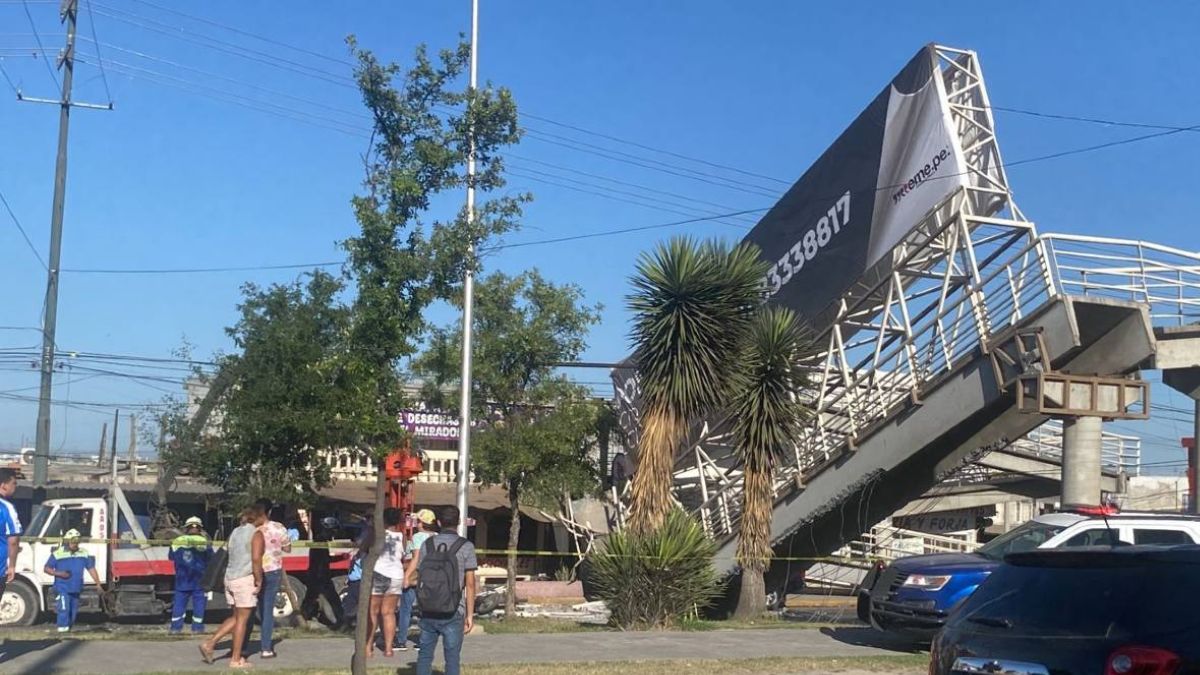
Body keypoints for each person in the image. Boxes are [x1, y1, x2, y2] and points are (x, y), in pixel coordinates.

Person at [413, 507, 476, 675]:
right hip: (454, 609)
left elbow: (420, 575)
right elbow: (470, 584)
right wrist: (470, 615)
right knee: (452, 658)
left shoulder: (427, 544)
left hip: (428, 608)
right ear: (460, 522)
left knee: (425, 655)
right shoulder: (466, 547)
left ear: (439, 522)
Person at [200, 505, 265, 669]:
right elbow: (256, 559)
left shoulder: (235, 532)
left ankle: (211, 643)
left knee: (236, 617)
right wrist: (259, 579)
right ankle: (235, 658)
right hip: (244, 578)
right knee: (243, 620)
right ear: (257, 518)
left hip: (230, 577)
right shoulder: (256, 534)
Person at [250, 498, 291, 659]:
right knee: (268, 610)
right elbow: (287, 548)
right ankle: (266, 647)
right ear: (270, 511)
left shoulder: (251, 529)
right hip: (272, 570)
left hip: (254, 571)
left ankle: (243, 645)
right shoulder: (278, 527)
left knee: (251, 608)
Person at [43, 529, 102, 633]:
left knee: (73, 611)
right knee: (64, 608)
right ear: (67, 541)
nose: (74, 544)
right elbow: (47, 568)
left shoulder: (84, 553)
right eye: (72, 541)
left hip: (76, 587)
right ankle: (62, 630)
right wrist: (60, 574)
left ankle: (68, 629)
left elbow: (91, 568)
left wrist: (98, 583)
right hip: (62, 587)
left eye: (76, 541)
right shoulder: (58, 553)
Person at [396, 508, 437, 651]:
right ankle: (424, 640)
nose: (416, 523)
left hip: (416, 575)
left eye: (418, 521)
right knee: (425, 610)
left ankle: (401, 640)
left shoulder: (419, 537)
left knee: (405, 608)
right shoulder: (437, 537)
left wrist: (407, 576)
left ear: (423, 523)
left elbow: (416, 558)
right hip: (431, 577)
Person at [367, 507, 405, 658]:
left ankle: (368, 647)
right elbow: (403, 553)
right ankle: (388, 649)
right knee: (389, 613)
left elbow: (365, 547)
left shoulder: (377, 534)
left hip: (378, 571)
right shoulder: (401, 536)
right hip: (396, 574)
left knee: (373, 612)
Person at [169, 516, 213, 634]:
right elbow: (210, 559)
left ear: (186, 528)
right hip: (199, 579)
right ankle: (197, 628)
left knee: (179, 604)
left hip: (182, 579)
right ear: (200, 529)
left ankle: (175, 628)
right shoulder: (205, 542)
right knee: (199, 604)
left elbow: (171, 557)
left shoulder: (177, 541)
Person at [300, 515, 344, 628]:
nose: (333, 535)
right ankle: (341, 621)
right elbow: (323, 560)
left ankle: (302, 619)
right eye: (333, 532)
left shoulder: (319, 541)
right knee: (333, 600)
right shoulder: (321, 542)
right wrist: (340, 558)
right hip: (320, 576)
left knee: (309, 599)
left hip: (316, 575)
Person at [0, 468, 22, 598]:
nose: (15, 487)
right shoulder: (6, 508)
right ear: (3, 485)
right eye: (13, 483)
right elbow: (13, 540)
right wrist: (12, 566)